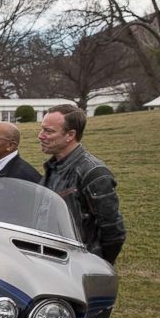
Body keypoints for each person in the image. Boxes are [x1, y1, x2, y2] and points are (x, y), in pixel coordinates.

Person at [39, 104, 126, 264]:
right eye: (42, 129)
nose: (41, 135)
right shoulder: (52, 168)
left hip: (78, 266)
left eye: (49, 131)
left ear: (70, 135)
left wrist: (95, 267)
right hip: (51, 260)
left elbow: (113, 232)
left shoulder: (93, 172)